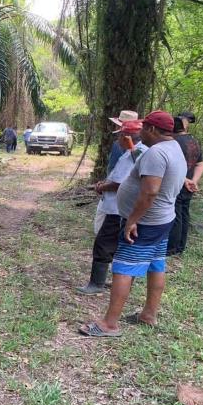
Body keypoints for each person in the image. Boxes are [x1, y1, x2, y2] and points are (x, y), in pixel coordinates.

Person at [80, 111, 186, 337]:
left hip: (146, 221)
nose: (140, 132)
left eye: (144, 128)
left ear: (153, 130)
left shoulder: (156, 154)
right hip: (163, 219)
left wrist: (132, 220)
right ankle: (149, 314)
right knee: (156, 264)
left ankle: (109, 324)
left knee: (122, 268)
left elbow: (150, 192)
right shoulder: (174, 147)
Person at [77, 120, 147, 294]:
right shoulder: (137, 152)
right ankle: (121, 282)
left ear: (126, 136)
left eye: (120, 135)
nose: (118, 139)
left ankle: (96, 283)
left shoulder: (134, 153)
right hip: (125, 208)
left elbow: (119, 183)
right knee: (122, 245)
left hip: (117, 209)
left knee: (103, 244)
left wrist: (101, 187)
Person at [95, 110, 140, 234]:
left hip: (114, 199)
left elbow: (116, 173)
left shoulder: (122, 146)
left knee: (104, 233)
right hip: (125, 200)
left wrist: (103, 186)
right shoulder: (141, 148)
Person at [167, 111, 203, 256]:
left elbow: (171, 165)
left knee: (175, 215)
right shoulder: (194, 141)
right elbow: (200, 164)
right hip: (189, 184)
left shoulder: (173, 143)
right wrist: (193, 181)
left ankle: (171, 248)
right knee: (183, 213)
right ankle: (180, 246)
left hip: (178, 183)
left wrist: (185, 180)